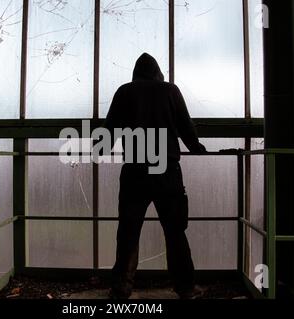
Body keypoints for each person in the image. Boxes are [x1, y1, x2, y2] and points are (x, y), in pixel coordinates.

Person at [103, 53, 207, 299]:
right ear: (158, 72)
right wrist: (197, 148)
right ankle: (186, 287)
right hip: (167, 171)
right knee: (174, 231)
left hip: (134, 171)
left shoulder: (124, 92)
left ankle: (121, 287)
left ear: (136, 73)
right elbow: (186, 127)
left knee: (128, 231)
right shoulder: (170, 91)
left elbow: (109, 131)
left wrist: (100, 147)